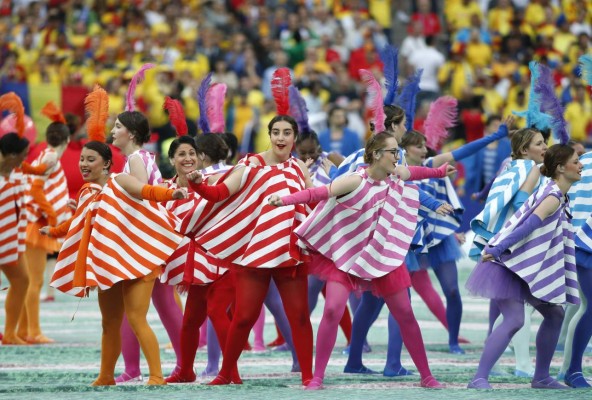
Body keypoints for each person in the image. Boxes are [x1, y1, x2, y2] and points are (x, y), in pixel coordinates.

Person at [270, 131, 445, 389]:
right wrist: (284, 200)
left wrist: (440, 173)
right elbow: (317, 193)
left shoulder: (397, 176)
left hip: (380, 255)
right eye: (394, 152)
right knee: (331, 309)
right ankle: (317, 377)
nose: (399, 157)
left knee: (406, 313)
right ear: (376, 155)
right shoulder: (354, 180)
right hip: (346, 255)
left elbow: (417, 174)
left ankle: (427, 376)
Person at [185, 115, 314, 386]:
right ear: (269, 135)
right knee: (243, 317)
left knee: (300, 316)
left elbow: (312, 202)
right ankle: (225, 374)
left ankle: (308, 377)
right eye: (276, 132)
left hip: (290, 253)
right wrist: (198, 185)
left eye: (287, 132)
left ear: (294, 137)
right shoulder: (250, 164)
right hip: (255, 253)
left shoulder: (299, 167)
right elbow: (220, 193)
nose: (281, 138)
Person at [466, 144, 581, 390]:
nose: (580, 164)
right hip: (506, 263)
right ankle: (478, 378)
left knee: (555, 314)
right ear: (561, 168)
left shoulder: (558, 192)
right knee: (514, 319)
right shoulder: (552, 196)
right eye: (576, 160)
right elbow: (527, 226)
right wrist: (496, 249)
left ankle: (541, 377)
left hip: (522, 266)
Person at [109, 111, 184, 384]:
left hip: (144, 242)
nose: (113, 130)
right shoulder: (143, 158)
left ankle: (133, 369)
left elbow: (142, 200)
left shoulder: (135, 159)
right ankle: (183, 365)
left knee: (134, 308)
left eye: (117, 126)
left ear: (130, 133)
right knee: (166, 305)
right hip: (155, 240)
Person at [21, 114, 71, 344]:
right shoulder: (50, 157)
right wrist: (51, 214)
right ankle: (33, 331)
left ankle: (23, 330)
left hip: (35, 222)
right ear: (67, 140)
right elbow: (36, 190)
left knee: (30, 281)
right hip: (37, 224)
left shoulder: (46, 155)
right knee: (34, 282)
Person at [0, 133, 30, 345]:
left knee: (22, 280)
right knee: (23, 280)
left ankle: (11, 333)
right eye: (22, 155)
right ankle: (10, 333)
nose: (24, 160)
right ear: (10, 154)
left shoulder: (12, 171)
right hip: (5, 236)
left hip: (10, 236)